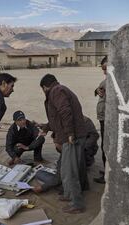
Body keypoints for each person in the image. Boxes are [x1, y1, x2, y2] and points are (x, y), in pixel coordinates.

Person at [39, 74, 87, 214]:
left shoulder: (56, 91)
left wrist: (70, 133)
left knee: (70, 171)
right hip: (70, 136)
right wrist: (46, 128)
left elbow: (65, 112)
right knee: (66, 170)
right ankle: (69, 195)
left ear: (45, 87)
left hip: (72, 137)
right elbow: (57, 117)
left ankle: (77, 204)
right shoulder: (59, 90)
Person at [33, 116, 98, 194]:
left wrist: (43, 187)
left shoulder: (84, 122)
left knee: (40, 174)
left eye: (55, 143)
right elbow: (54, 124)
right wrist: (44, 126)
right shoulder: (65, 120)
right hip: (75, 149)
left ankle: (67, 189)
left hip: (84, 151)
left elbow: (58, 179)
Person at [94, 57, 108, 184]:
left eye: (106, 69)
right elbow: (98, 89)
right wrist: (98, 91)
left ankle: (107, 175)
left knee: (105, 146)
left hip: (107, 119)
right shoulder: (106, 81)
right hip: (103, 118)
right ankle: (107, 170)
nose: (104, 72)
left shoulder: (112, 81)